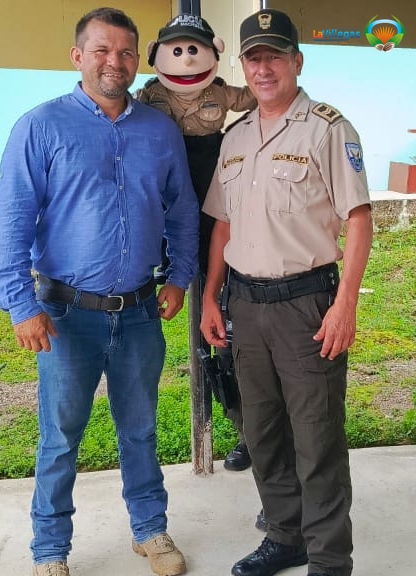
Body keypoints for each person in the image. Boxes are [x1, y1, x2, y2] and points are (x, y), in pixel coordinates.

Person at [0, 7, 199, 576]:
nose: (115, 62)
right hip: (65, 314)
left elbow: (182, 209)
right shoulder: (41, 126)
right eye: (102, 50)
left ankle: (150, 531)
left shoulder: (159, 130)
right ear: (78, 56)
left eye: (126, 52)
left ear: (137, 60)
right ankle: (50, 550)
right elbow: (11, 219)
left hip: (139, 311)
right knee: (60, 438)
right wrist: (21, 304)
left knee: (141, 429)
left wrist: (180, 277)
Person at [201, 8, 373, 576]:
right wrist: (211, 297)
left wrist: (346, 304)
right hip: (245, 306)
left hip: (307, 306)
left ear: (297, 61)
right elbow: (222, 226)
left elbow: (358, 218)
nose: (264, 68)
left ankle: (328, 560)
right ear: (243, 66)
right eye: (254, 58)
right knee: (263, 431)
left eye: (275, 55)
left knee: (316, 437)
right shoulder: (235, 137)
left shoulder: (327, 129)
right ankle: (286, 536)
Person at [135, 12, 258, 476]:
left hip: (217, 235)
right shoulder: (142, 102)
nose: (186, 60)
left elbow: (258, 97)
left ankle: (250, 432)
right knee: (133, 342)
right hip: (153, 238)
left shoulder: (230, 120)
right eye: (177, 50)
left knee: (226, 336)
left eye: (195, 49)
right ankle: (135, 447)